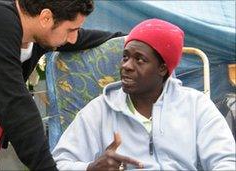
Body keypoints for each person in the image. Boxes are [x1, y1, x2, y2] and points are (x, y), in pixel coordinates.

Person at [0, 0, 124, 170]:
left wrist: (134, 40)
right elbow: (16, 105)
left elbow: (83, 39)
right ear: (46, 18)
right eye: (71, 30)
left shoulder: (32, 31)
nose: (74, 37)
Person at [52, 19, 236, 170]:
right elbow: (58, 163)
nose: (126, 66)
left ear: (163, 68)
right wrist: (90, 168)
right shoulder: (99, 110)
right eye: (125, 57)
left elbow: (226, 162)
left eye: (139, 59)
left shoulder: (196, 106)